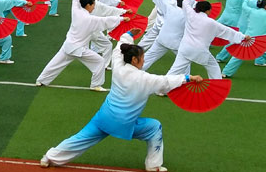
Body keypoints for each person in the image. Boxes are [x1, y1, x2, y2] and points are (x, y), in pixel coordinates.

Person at [41, 30, 202, 171]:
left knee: (81, 138)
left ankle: (49, 157)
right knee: (154, 127)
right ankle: (153, 166)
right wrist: (189, 77)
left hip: (104, 117)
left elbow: (119, 48)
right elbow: (166, 82)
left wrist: (129, 34)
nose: (144, 60)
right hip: (124, 123)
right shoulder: (145, 79)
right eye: (142, 58)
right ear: (134, 60)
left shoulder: (118, 66)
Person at [36, 0, 127, 91]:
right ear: (88, 5)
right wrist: (122, 19)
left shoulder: (76, 12)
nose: (94, 7)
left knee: (55, 63)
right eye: (93, 5)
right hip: (79, 49)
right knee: (100, 61)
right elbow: (105, 21)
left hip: (68, 45)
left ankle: (41, 80)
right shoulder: (89, 19)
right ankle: (95, 85)